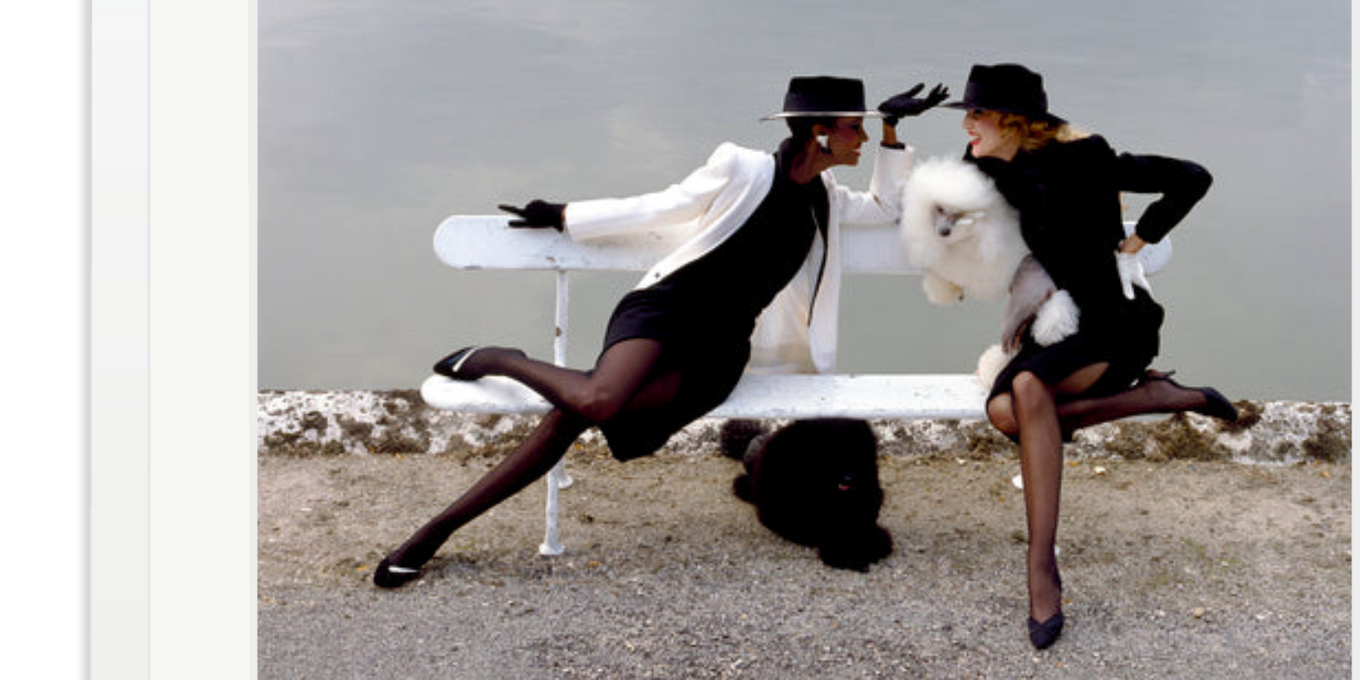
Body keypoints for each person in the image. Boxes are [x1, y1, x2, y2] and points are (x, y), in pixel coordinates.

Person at [373, 75, 946, 587]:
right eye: (855, 128)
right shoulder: (742, 168)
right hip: (665, 311)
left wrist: (893, 132)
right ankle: (501, 360)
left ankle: (432, 534)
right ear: (820, 133)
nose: (862, 139)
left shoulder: (826, 199)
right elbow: (662, 206)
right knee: (596, 400)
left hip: (718, 351)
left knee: (572, 415)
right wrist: (566, 215)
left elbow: (885, 208)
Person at [945, 63, 1239, 651]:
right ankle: (1153, 396)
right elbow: (940, 206)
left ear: (1013, 120)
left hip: (1114, 326)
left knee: (1025, 393)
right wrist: (894, 135)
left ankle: (1041, 569)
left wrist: (1143, 236)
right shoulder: (990, 166)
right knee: (1005, 414)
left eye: (977, 113)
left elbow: (1193, 177)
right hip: (1061, 330)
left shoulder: (1087, 157)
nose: (967, 124)